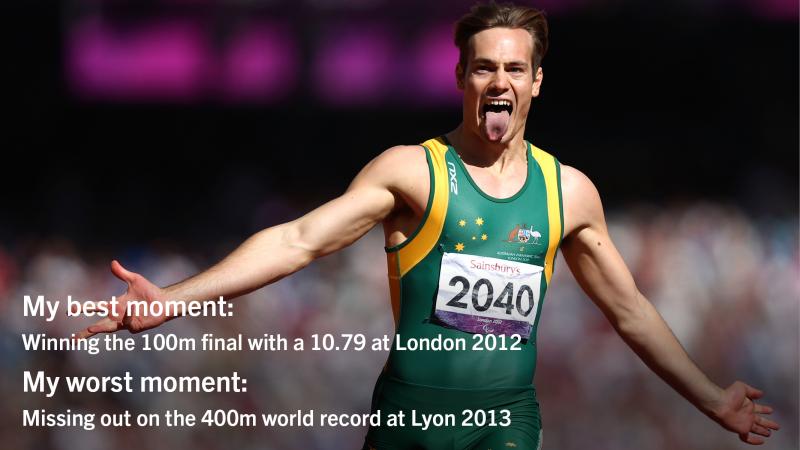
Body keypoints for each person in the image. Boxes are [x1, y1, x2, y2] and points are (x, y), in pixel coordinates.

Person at [76, 2, 779, 449]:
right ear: (461, 78)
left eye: (513, 68)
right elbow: (299, 240)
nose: (497, 81)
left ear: (536, 82)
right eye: (482, 68)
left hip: (505, 426)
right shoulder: (412, 173)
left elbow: (630, 311)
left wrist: (713, 397)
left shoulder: (570, 193)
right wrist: (173, 299)